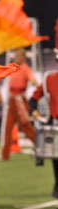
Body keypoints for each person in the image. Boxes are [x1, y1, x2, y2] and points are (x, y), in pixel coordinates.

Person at [29, 53, 58, 198]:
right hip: (54, 122)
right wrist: (33, 110)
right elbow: (34, 97)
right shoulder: (49, 79)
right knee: (56, 157)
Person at [1, 48, 37, 160]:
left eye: (18, 56)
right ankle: (5, 155)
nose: (16, 58)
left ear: (23, 57)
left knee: (26, 127)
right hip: (12, 101)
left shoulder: (26, 69)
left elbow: (33, 80)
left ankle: (40, 146)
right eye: (15, 55)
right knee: (8, 127)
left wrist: (33, 82)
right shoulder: (13, 68)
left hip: (20, 101)